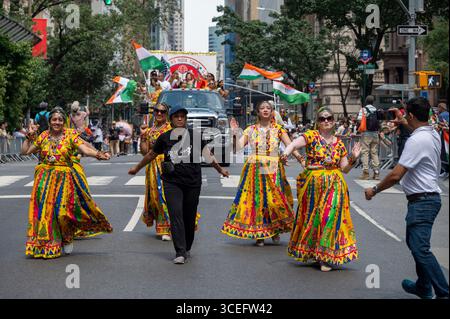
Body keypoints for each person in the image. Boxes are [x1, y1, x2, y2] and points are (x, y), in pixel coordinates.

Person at [364, 97, 449, 299]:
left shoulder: (417, 140)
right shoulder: (432, 133)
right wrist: (404, 121)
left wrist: (374, 190)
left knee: (420, 249)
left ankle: (443, 292)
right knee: (415, 244)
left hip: (423, 201)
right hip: (425, 198)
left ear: (411, 115)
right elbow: (420, 133)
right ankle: (423, 286)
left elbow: (396, 175)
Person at [129, 105, 230, 264]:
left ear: (186, 119)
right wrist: (137, 168)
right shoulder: (164, 137)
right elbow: (150, 154)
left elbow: (208, 155)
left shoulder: (195, 136)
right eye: (177, 116)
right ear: (172, 119)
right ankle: (180, 251)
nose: (180, 119)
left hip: (192, 182)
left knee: (189, 217)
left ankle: (187, 247)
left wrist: (220, 170)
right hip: (172, 183)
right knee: (175, 215)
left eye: (183, 116)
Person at [21, 107, 113, 259]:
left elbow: (84, 148)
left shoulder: (70, 136)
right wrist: (28, 137)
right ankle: (48, 244)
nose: (57, 122)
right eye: (54, 119)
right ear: (50, 122)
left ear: (64, 122)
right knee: (45, 213)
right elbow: (26, 151)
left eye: (60, 120)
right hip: (44, 180)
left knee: (62, 212)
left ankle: (68, 236)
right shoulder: (43, 136)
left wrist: (97, 154)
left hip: (64, 180)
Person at [281, 107, 362, 272]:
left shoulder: (339, 144)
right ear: (317, 122)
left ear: (333, 121)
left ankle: (325, 256)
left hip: (335, 184)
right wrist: (285, 154)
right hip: (313, 186)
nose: (326, 121)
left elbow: (344, 168)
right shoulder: (311, 136)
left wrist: (353, 157)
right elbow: (294, 144)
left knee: (329, 218)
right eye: (322, 119)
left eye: (329, 118)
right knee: (313, 218)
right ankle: (315, 253)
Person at [221, 101, 302, 247]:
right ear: (257, 112)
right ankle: (260, 233)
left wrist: (301, 159)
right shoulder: (250, 130)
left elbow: (291, 146)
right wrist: (234, 134)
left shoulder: (279, 129)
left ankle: (275, 229)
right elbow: (237, 148)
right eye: (262, 108)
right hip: (254, 169)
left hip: (273, 169)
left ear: (272, 112)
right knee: (258, 201)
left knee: (275, 201)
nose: (265, 110)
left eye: (268, 108)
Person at [140, 103, 173, 241]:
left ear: (167, 113)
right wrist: (142, 136)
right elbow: (144, 152)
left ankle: (171, 227)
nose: (159, 114)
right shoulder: (149, 131)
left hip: (168, 166)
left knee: (166, 196)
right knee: (156, 198)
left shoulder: (172, 129)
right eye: (156, 111)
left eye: (162, 111)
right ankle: (163, 226)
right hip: (153, 167)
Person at [358, 95, 381, 180]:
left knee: (365, 152)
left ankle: (366, 172)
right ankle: (376, 172)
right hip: (375, 133)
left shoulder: (363, 109)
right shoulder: (376, 109)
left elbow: (360, 120)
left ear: (366, 101)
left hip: (366, 133)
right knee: (374, 152)